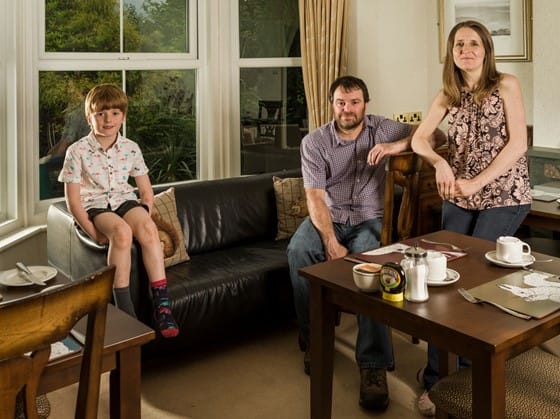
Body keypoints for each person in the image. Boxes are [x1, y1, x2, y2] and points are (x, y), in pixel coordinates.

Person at [287, 75, 445, 411]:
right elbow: (314, 197)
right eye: (341, 103)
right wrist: (330, 240)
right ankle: (315, 337)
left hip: (370, 220)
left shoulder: (382, 128)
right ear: (332, 105)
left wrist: (394, 146)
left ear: (365, 105)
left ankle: (373, 366)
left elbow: (435, 134)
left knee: (374, 268)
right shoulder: (315, 142)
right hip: (328, 217)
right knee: (299, 250)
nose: (347, 109)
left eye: (354, 102)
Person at [410, 20, 531, 416]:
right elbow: (418, 138)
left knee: (476, 284)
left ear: (486, 49)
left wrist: (476, 181)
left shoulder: (506, 83)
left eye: (474, 43)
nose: (466, 49)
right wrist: (440, 163)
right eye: (459, 43)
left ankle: (466, 376)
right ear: (452, 51)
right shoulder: (448, 93)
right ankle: (436, 380)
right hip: (460, 194)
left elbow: (518, 144)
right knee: (439, 279)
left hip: (503, 194)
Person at [58, 83, 180, 338]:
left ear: (123, 116)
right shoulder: (77, 151)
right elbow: (73, 200)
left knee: (147, 227)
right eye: (100, 114)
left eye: (114, 113)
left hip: (125, 200)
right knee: (122, 233)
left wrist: (143, 213)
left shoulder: (130, 147)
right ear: (89, 117)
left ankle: (162, 305)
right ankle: (124, 307)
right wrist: (92, 232)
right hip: (96, 205)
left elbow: (146, 192)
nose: (108, 120)